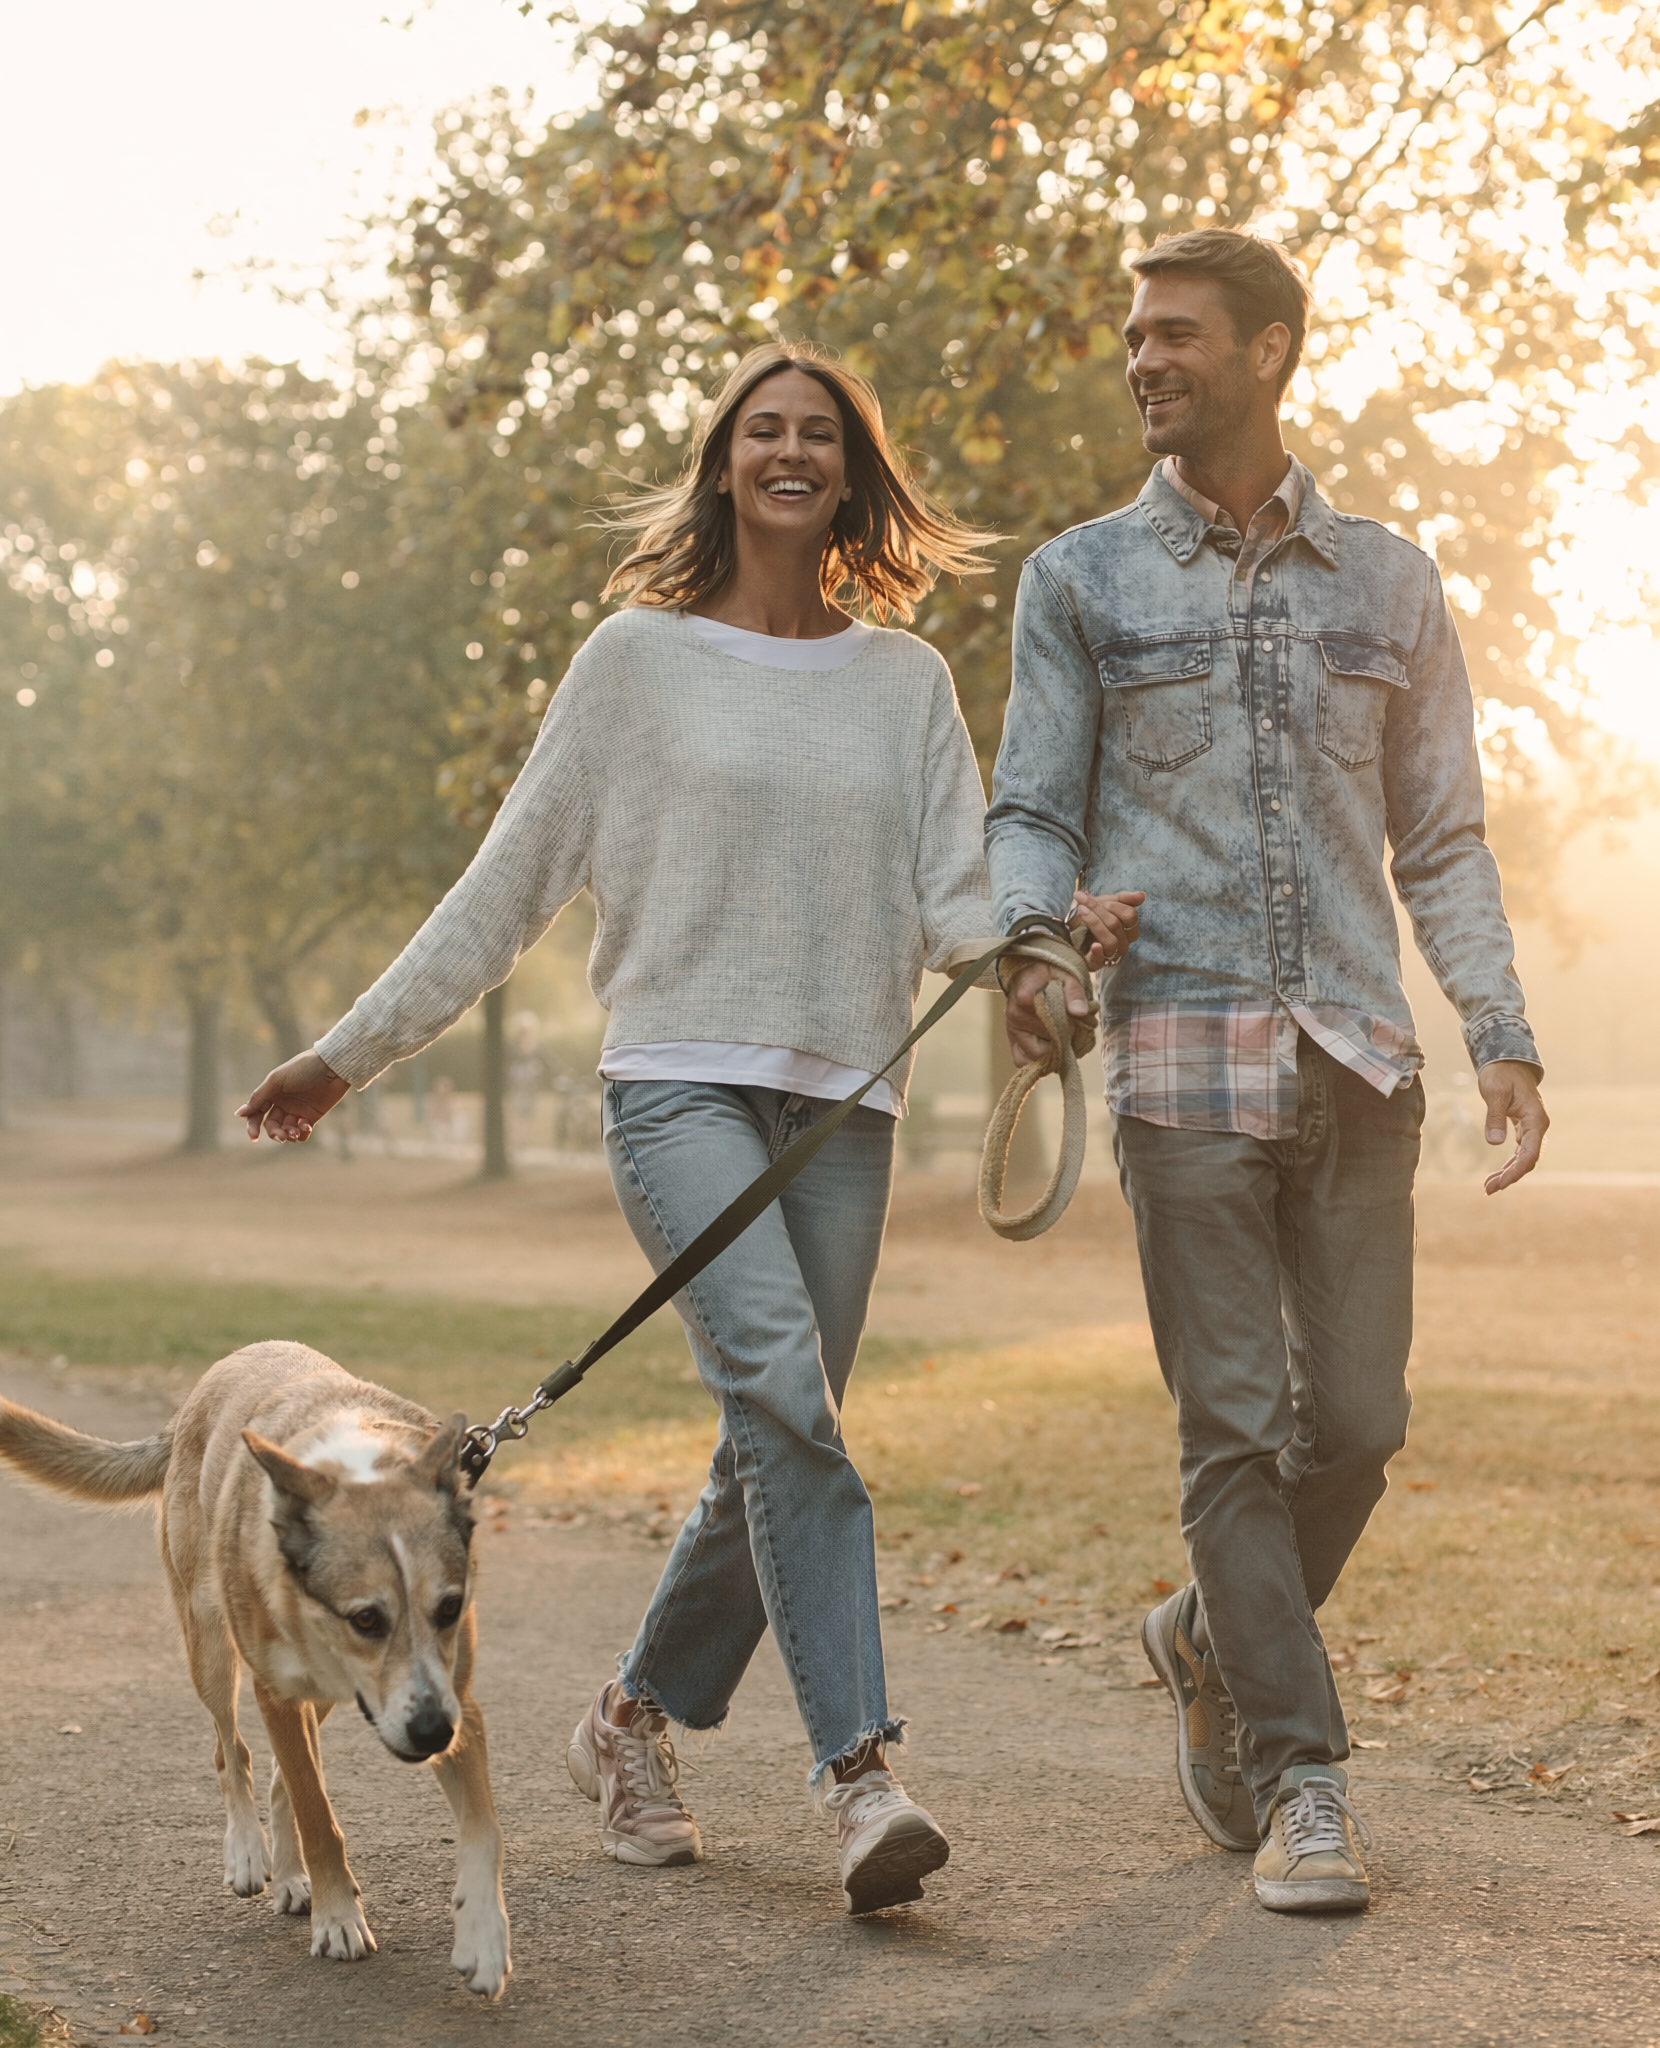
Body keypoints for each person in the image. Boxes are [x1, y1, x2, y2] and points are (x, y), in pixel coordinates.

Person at [235, 341, 1140, 1915]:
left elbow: (950, 905)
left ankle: (628, 1722)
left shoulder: (907, 682)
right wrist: (349, 1052)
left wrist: (1044, 942)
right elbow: (507, 883)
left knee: (771, 1437)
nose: (789, 453)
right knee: (792, 1407)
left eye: (819, 435)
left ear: (852, 473)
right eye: (761, 431)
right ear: (726, 463)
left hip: (845, 1106)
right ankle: (861, 1776)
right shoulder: (633, 663)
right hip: (680, 1089)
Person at [986, 230, 1548, 1915]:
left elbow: (1442, 835)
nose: (1145, 360)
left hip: (1360, 1062)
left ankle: (1204, 1628)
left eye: (1176, 336)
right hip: (1177, 1055)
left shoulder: (1389, 583)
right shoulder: (1081, 581)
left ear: (1272, 352)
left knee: (1359, 1423)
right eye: (1134, 336)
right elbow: (1033, 801)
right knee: (1231, 1428)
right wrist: (1033, 940)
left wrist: (1501, 1030)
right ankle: (1304, 1781)